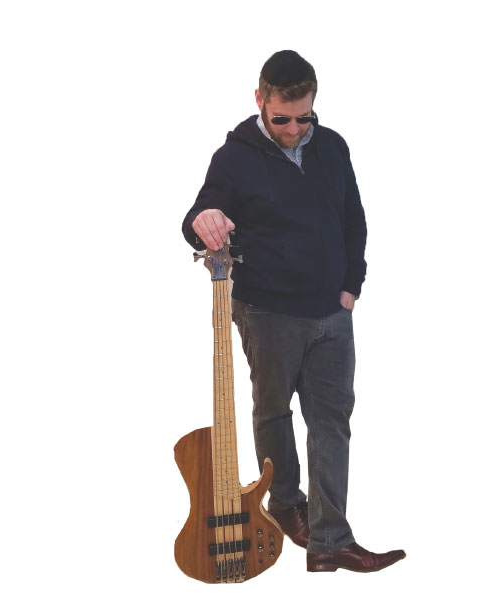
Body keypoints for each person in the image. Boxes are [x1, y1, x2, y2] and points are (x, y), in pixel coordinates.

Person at [180, 50, 405, 574]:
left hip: (332, 312)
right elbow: (197, 215)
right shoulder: (234, 157)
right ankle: (283, 506)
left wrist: (351, 286)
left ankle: (330, 541)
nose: (293, 129)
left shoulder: (332, 146)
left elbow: (353, 218)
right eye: (282, 118)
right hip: (268, 311)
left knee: (332, 422)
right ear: (260, 100)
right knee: (273, 412)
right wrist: (203, 221)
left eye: (304, 117)